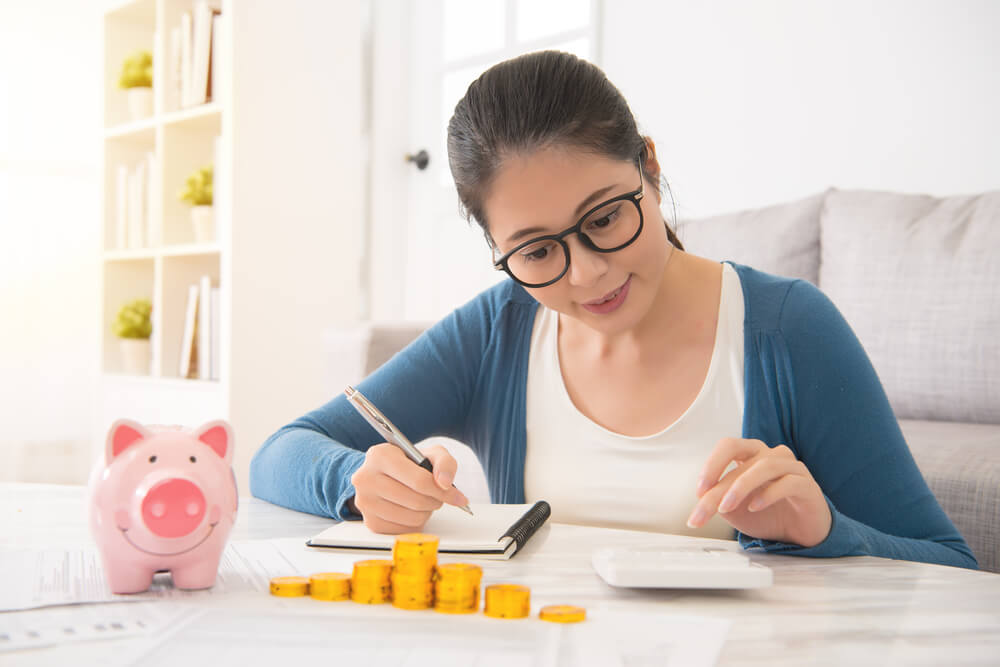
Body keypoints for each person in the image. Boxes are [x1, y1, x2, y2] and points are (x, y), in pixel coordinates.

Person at [250, 50, 976, 569]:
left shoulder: (787, 329)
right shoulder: (500, 329)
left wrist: (824, 529)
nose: (590, 273)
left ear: (649, 169)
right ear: (497, 250)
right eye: (536, 252)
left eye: (604, 218)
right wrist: (355, 483)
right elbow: (280, 450)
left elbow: (950, 563)